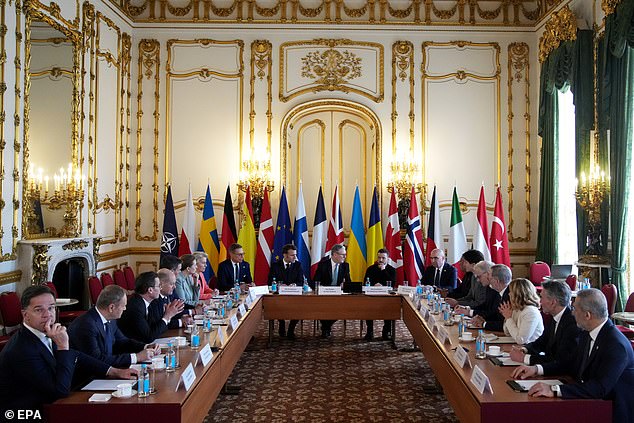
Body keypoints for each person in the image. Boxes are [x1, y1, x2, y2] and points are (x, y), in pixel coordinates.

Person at [0, 285, 135, 415]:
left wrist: (113, 371)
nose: (48, 315)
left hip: (54, 403)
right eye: (39, 310)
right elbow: (59, 391)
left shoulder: (46, 331)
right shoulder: (21, 349)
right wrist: (63, 347)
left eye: (51, 308)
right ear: (25, 315)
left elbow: (76, 355)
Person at [512, 288, 634, 423]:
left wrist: (554, 389)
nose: (572, 312)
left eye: (575, 309)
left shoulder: (616, 345)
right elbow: (569, 363)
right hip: (590, 403)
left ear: (587, 315)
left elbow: (599, 388)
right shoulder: (588, 333)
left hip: (611, 411)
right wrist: (537, 369)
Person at [68, 285, 157, 369]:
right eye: (124, 306)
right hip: (88, 379)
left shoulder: (111, 320)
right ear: (111, 307)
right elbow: (97, 360)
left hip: (106, 371)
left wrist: (146, 347)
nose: (125, 309)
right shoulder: (86, 325)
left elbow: (123, 342)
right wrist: (136, 357)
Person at [509, 280, 580, 369]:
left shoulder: (572, 324)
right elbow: (542, 342)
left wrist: (525, 358)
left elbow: (560, 360)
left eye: (542, 297)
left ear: (553, 302)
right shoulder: (555, 316)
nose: (540, 301)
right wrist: (525, 349)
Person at [118, 271, 186, 343]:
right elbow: (149, 337)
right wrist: (167, 316)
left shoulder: (147, 303)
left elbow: (156, 328)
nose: (160, 288)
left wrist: (168, 315)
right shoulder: (135, 307)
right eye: (159, 286)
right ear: (150, 290)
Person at [313, 244, 351, 338]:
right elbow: (316, 281)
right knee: (322, 308)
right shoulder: (323, 265)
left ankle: (326, 327)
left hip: (338, 296)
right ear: (335, 254)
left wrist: (345, 285)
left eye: (345, 254)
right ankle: (326, 328)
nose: (345, 257)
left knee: (341, 310)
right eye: (343, 254)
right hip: (324, 295)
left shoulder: (345, 266)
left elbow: (349, 283)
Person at [268, 244, 304, 339]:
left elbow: (301, 281)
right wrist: (279, 286)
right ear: (285, 255)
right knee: (276, 307)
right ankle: (281, 323)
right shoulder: (275, 266)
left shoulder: (298, 265)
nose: (295, 257)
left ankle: (291, 329)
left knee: (302, 308)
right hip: (279, 296)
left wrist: (294, 285)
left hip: (294, 295)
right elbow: (270, 281)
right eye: (292, 255)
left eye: (295, 255)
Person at [363, 248, 396, 341]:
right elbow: (365, 283)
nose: (380, 260)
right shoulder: (370, 269)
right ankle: (369, 331)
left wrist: (383, 270)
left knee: (390, 307)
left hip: (386, 298)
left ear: (387, 259)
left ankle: (386, 331)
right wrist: (374, 285)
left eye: (383, 258)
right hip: (372, 296)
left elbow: (392, 284)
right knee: (367, 307)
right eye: (379, 258)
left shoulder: (391, 270)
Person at [469, 263, 512, 331]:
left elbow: (506, 324)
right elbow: (494, 314)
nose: (488, 279)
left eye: (489, 278)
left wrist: (484, 324)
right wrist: (482, 319)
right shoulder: (500, 293)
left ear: (497, 281)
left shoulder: (510, 296)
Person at [500, 278, 543, 344]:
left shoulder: (531, 312)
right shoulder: (517, 309)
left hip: (529, 350)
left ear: (518, 294)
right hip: (519, 347)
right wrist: (507, 317)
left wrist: (508, 318)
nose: (509, 294)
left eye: (511, 292)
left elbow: (521, 340)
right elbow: (508, 333)